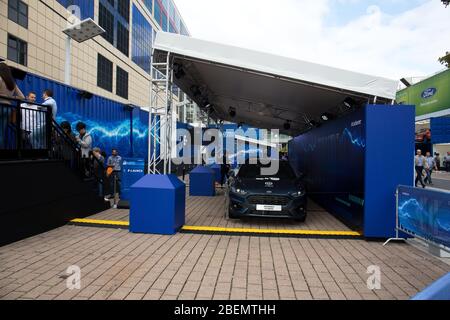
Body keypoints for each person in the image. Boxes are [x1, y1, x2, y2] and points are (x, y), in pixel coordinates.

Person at [0, 62, 25, 149]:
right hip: (7, 109)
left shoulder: (0, 79)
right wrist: (10, 97)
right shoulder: (12, 83)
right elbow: (22, 97)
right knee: (1, 132)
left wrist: (4, 96)